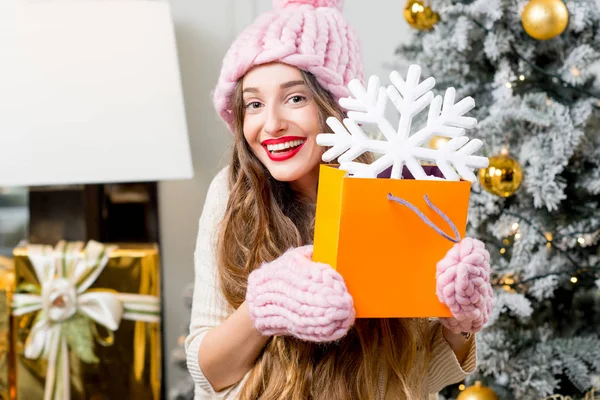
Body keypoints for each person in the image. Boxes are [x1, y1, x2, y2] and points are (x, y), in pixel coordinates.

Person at [185, 0, 494, 399]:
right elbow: (208, 374)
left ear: (335, 104)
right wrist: (262, 309)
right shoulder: (231, 195)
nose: (272, 124)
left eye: (295, 98)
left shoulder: (392, 190)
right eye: (255, 104)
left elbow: (423, 376)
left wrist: (460, 322)